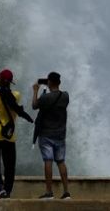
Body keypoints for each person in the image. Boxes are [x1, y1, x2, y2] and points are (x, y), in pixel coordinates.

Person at [0, 68, 34, 199]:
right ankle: (7, 191)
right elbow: (9, 98)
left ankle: (0, 186)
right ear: (11, 82)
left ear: (0, 80)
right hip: (9, 134)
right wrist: (2, 84)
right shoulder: (16, 95)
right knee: (9, 166)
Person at [32, 71, 71, 200]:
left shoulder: (45, 98)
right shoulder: (65, 96)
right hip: (60, 135)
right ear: (59, 82)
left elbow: (34, 106)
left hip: (46, 135)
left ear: (49, 82)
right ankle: (66, 192)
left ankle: (49, 192)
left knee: (48, 161)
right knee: (61, 162)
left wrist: (35, 91)